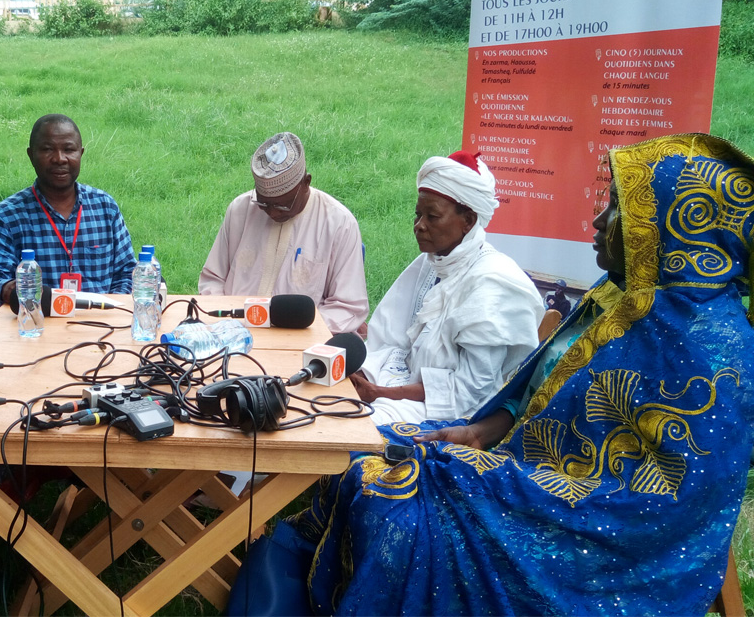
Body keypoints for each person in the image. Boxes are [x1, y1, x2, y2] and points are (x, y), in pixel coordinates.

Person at [272, 133, 754, 614]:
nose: (597, 220)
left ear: (669, 231)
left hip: (591, 525)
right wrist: (480, 432)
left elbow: (667, 502)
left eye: (616, 212)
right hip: (522, 461)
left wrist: (500, 477)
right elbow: (532, 388)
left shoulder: (710, 347)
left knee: (389, 493)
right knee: (365, 453)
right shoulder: (619, 296)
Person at [352, 150, 543, 425]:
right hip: (396, 390)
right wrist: (365, 379)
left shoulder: (493, 285)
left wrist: (384, 394)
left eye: (432, 217)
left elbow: (470, 392)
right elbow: (391, 339)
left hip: (451, 416)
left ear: (468, 220)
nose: (419, 226)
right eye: (418, 215)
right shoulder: (430, 263)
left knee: (355, 426)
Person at [199, 132, 370, 335]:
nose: (272, 212)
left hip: (301, 339)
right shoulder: (240, 209)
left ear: (306, 182)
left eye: (282, 205)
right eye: (264, 203)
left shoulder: (339, 223)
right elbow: (213, 279)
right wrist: (224, 321)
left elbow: (347, 307)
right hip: (233, 333)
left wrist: (294, 329)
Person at [0, 114, 137, 311]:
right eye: (48, 149)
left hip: (101, 327)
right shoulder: (7, 217)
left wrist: (109, 310)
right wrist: (7, 290)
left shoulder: (105, 207)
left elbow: (127, 273)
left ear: (80, 153)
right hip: (35, 328)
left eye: (69, 150)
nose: (59, 159)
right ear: (31, 155)